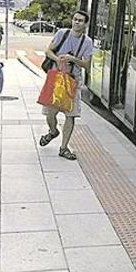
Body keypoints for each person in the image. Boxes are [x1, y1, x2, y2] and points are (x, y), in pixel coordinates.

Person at [38, 11, 94, 160]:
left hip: (73, 80)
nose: (76, 22)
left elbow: (87, 65)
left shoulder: (87, 42)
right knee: (50, 113)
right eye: (75, 19)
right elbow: (48, 51)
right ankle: (53, 131)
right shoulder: (62, 33)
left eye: (80, 21)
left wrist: (72, 59)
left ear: (85, 24)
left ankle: (64, 148)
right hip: (55, 77)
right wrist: (58, 59)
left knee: (71, 115)